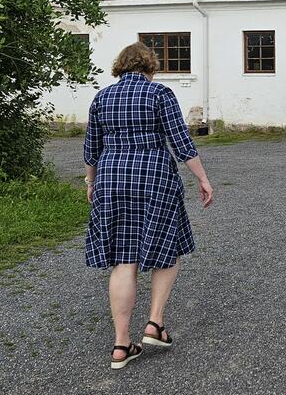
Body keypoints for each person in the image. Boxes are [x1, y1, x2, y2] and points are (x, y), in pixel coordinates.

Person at [83, 41, 213, 369]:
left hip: (111, 178)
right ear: (149, 66)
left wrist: (91, 181)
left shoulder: (102, 97)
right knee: (166, 248)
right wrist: (202, 178)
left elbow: (91, 149)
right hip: (154, 177)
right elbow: (181, 142)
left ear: (120, 66)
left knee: (123, 258)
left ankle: (121, 344)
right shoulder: (159, 95)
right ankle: (154, 323)